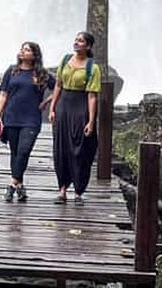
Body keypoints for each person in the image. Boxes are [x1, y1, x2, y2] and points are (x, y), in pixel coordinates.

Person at [0, 41, 54, 202]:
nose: (23, 51)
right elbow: (4, 94)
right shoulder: (12, 71)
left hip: (31, 119)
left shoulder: (41, 74)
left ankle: (12, 184)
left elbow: (59, 88)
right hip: (11, 117)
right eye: (22, 49)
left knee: (24, 150)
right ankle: (19, 186)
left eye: (27, 50)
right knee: (15, 153)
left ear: (34, 55)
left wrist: (46, 102)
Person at [48, 31, 101, 206]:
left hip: (80, 108)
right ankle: (62, 189)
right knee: (61, 148)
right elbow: (58, 85)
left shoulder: (92, 68)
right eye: (76, 40)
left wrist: (91, 121)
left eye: (81, 41)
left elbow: (92, 96)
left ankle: (78, 191)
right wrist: (52, 108)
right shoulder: (65, 60)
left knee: (79, 148)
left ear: (88, 46)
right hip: (63, 105)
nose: (76, 43)